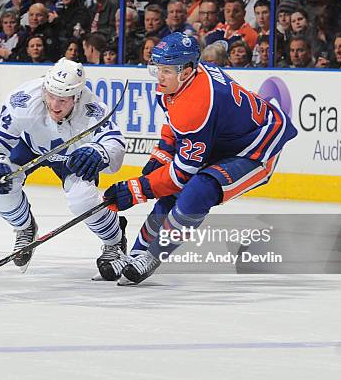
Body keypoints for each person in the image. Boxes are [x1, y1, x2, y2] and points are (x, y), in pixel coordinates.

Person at [102, 32, 297, 285]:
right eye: (157, 68)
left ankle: (152, 256)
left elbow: (181, 174)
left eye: (167, 70)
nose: (160, 76)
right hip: (222, 139)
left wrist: (135, 190)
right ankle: (137, 254)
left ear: (187, 70)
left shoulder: (197, 103)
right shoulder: (180, 81)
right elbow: (175, 124)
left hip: (257, 148)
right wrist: (161, 156)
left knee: (198, 190)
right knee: (168, 191)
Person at [0, 58, 127, 278]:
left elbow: (116, 145)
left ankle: (114, 241)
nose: (55, 105)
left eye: (63, 100)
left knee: (82, 200)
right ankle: (24, 227)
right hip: (29, 147)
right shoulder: (25, 99)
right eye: (51, 96)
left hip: (71, 157)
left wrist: (99, 152)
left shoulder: (92, 109)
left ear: (76, 96)